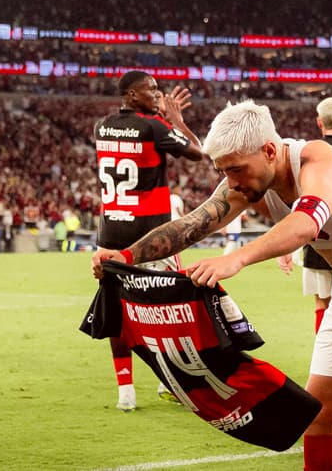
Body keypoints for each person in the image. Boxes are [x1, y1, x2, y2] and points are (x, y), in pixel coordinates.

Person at [93, 100, 332, 471]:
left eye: (236, 169)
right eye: (224, 171)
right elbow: (196, 223)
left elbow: (306, 224)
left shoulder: (319, 161)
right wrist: (127, 256)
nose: (231, 181)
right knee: (318, 412)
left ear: (269, 150)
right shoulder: (249, 182)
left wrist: (236, 258)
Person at [93, 70, 203, 411]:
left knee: (116, 311)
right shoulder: (153, 127)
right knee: (168, 308)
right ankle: (165, 382)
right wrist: (177, 120)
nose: (157, 94)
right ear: (130, 96)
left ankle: (125, 391)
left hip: (111, 231)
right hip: (152, 237)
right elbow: (198, 152)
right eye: (150, 90)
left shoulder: (102, 126)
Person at [280, 97, 332, 334]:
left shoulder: (305, 154)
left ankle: (324, 361)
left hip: (317, 240)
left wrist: (286, 246)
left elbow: (295, 199)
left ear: (319, 123)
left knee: (321, 305)